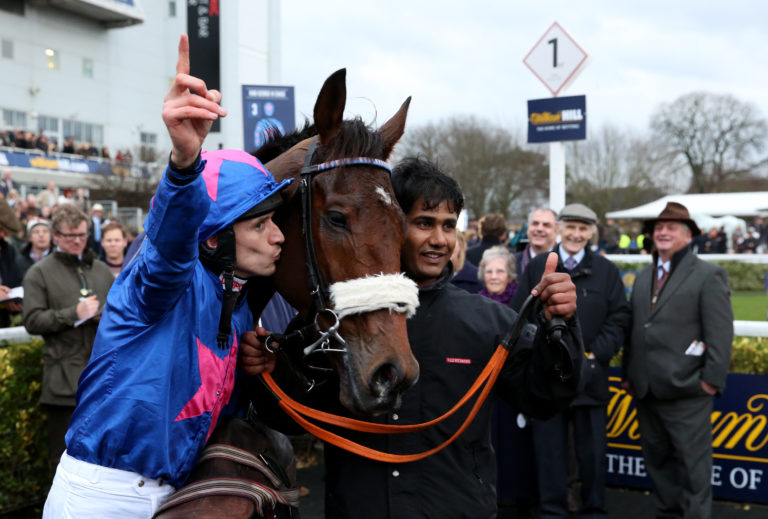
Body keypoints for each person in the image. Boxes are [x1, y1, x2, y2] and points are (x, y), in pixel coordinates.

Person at [242, 156, 583, 519]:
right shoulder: (329, 319)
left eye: (448, 226)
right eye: (424, 223)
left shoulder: (489, 321)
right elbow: (293, 423)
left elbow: (545, 397)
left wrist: (559, 324)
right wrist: (273, 371)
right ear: (390, 224)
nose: (439, 240)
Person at [42, 34, 292, 519]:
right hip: (101, 495)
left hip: (179, 494)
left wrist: (255, 370)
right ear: (215, 238)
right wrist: (183, 164)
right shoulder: (163, 281)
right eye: (260, 224)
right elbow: (171, 246)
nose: (278, 236)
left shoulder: (238, 307)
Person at [513, 203, 631, 519]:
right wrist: (539, 356)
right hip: (547, 380)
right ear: (560, 228)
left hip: (590, 380)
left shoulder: (606, 271)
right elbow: (519, 315)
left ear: (591, 232)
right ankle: (553, 511)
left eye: (583, 228)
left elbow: (620, 317)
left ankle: (594, 511)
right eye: (571, 227)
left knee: (592, 456)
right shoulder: (539, 266)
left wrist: (595, 355)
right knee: (549, 455)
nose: (576, 234)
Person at [622, 201, 734, 519]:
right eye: (659, 228)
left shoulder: (709, 275)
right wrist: (630, 375)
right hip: (646, 392)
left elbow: (720, 335)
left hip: (688, 394)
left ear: (688, 235)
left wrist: (709, 382)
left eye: (671, 228)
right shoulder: (642, 277)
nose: (663, 233)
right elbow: (635, 329)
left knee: (694, 473)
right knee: (658, 467)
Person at [22, 204, 115, 474]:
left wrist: (105, 317)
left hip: (103, 378)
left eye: (82, 235)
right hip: (63, 382)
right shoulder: (38, 273)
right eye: (70, 235)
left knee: (105, 459)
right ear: (55, 236)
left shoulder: (100, 270)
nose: (77, 241)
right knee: (63, 461)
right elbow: (32, 321)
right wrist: (72, 314)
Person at [0, 197, 23, 327]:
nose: (3, 234)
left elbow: (13, 281)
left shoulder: (7, 249)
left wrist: (13, 300)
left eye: (5, 231)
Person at [515, 207, 558, 274]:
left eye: (546, 225)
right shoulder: (512, 262)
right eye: (535, 223)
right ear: (528, 228)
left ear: (557, 230)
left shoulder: (566, 263)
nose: (539, 229)